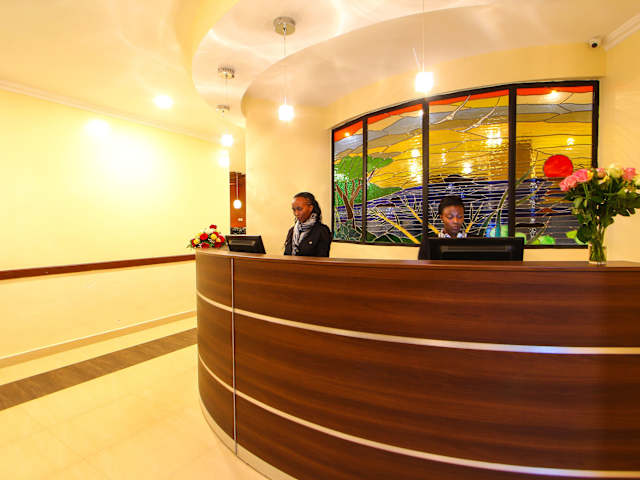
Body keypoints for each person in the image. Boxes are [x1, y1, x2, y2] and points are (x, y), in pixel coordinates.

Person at [418, 195, 467, 259]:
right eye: (450, 217)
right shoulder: (429, 243)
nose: (456, 221)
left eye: (460, 217)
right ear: (441, 217)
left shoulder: (475, 241)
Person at [284, 192, 332, 257]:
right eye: (294, 210)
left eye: (299, 209)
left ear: (310, 208)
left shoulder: (321, 231)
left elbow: (322, 258)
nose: (296, 213)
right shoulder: (292, 231)